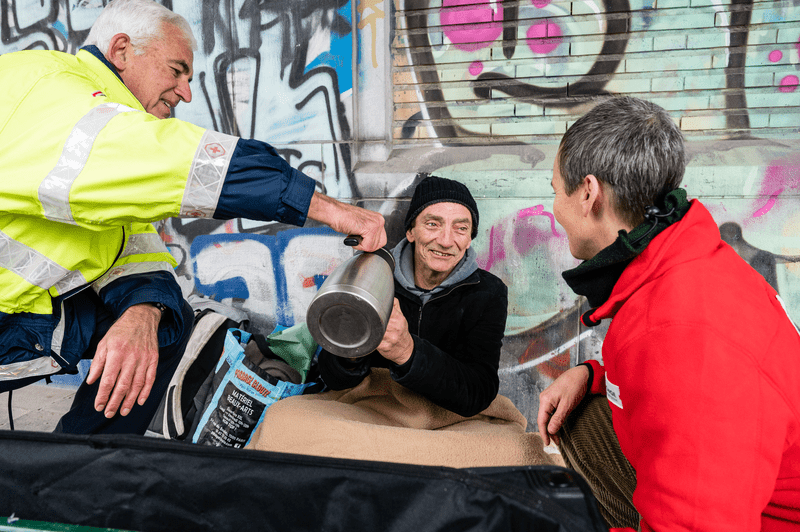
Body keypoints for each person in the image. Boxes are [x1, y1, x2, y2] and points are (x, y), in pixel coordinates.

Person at [0, 0, 385, 435]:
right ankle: (83, 466)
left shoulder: (84, 123)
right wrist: (327, 208)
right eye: (176, 70)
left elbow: (133, 240)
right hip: (9, 315)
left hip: (17, 309)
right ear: (122, 51)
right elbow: (179, 159)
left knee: (167, 320)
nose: (185, 93)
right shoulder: (61, 97)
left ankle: (86, 466)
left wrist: (145, 310)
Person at [536, 96, 800, 531]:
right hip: (745, 486)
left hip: (761, 519)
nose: (554, 208)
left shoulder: (683, 335)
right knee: (581, 418)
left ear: (587, 193)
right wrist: (591, 375)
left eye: (555, 191)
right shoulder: (681, 261)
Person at [318, 175, 508, 417]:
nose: (446, 241)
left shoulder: (489, 292)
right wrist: (356, 345)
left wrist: (407, 351)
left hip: (445, 416)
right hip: (373, 408)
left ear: (470, 238)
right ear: (411, 231)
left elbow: (479, 391)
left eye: (461, 228)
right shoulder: (373, 275)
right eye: (433, 224)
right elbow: (332, 378)